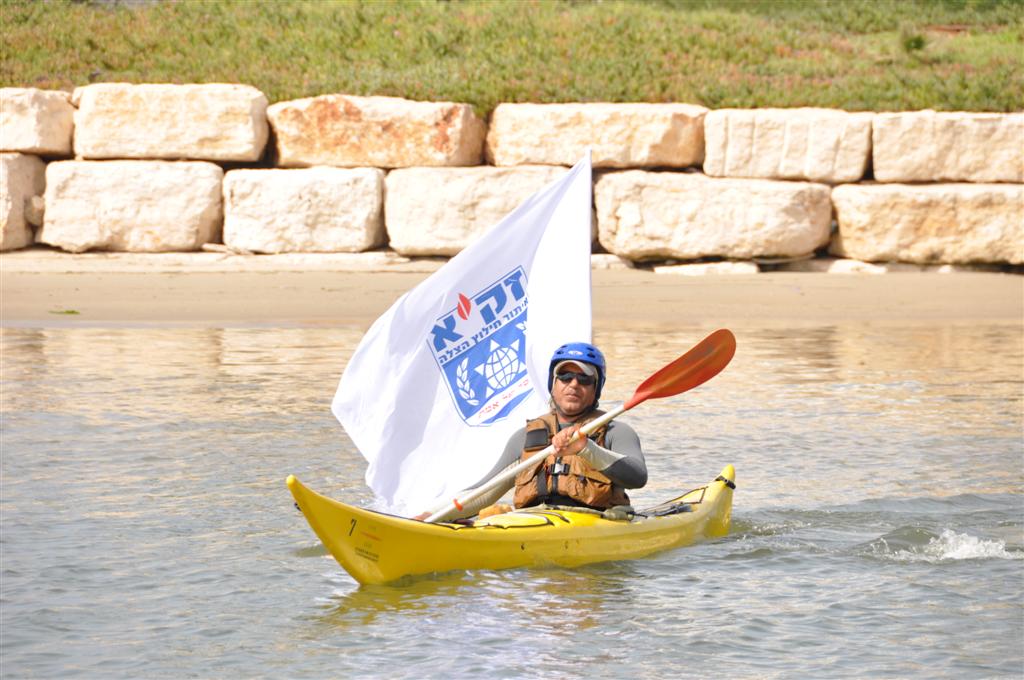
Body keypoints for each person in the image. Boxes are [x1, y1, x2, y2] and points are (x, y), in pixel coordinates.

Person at [420, 342, 647, 520]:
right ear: (553, 383)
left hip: (596, 522)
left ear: (596, 388)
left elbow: (638, 477)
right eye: (565, 376)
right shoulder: (527, 436)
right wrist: (432, 515)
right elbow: (485, 490)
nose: (574, 384)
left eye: (584, 379)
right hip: (533, 521)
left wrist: (586, 449)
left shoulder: (616, 431)